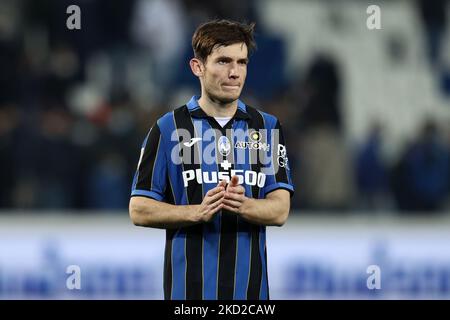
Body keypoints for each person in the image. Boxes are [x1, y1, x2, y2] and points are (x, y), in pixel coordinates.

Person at [129, 19, 294, 300]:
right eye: (223, 61)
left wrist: (242, 204)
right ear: (198, 67)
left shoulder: (267, 127)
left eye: (241, 62)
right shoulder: (168, 128)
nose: (234, 72)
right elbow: (139, 208)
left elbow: (279, 210)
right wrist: (195, 213)